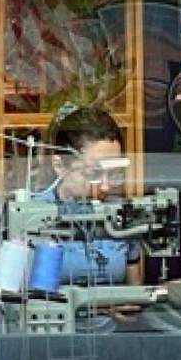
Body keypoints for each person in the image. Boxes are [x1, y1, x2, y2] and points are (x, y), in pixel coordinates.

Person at [46, 104, 136, 285]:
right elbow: (11, 300)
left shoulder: (120, 215)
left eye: (113, 174)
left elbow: (135, 295)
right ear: (59, 165)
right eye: (93, 174)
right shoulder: (28, 216)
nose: (105, 186)